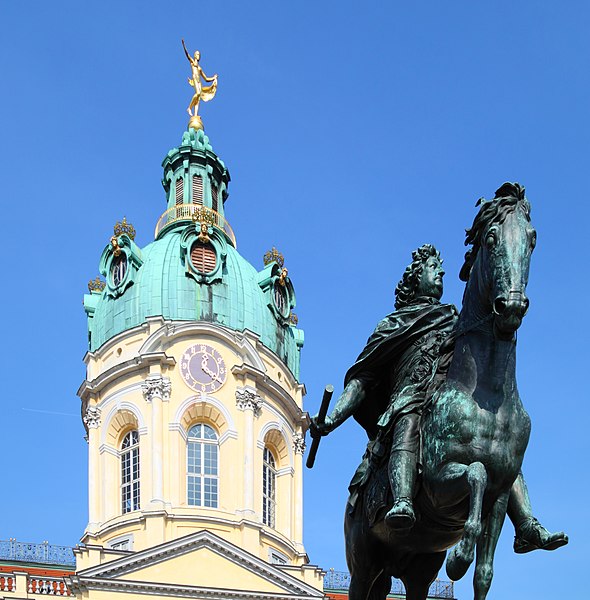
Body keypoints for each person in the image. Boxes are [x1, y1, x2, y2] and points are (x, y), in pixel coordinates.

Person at [311, 244, 567, 552]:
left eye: (441, 268)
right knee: (407, 419)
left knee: (496, 436)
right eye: (434, 267)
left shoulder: (453, 318)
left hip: (445, 397)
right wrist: (331, 419)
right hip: (409, 398)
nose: (441, 273)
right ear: (416, 277)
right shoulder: (393, 324)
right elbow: (362, 380)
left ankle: (525, 523)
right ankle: (403, 501)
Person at [182, 39, 218, 117]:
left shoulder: (199, 68)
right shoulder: (192, 62)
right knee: (198, 93)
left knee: (198, 99)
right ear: (194, 55)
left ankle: (195, 115)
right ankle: (189, 108)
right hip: (195, 78)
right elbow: (187, 55)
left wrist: (213, 78)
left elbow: (206, 79)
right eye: (197, 54)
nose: (198, 56)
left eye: (199, 55)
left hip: (199, 81)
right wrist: (184, 45)